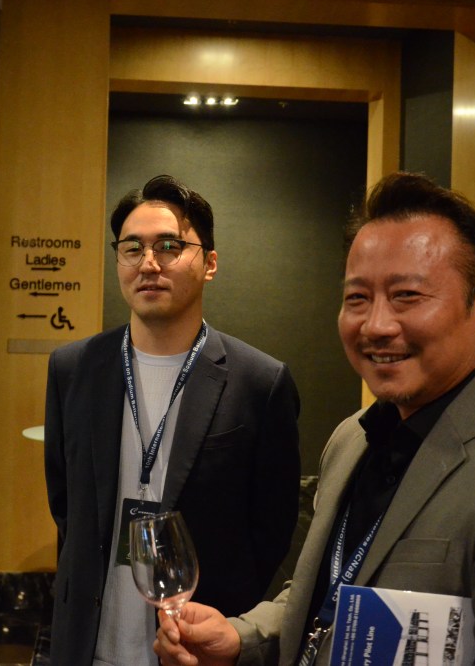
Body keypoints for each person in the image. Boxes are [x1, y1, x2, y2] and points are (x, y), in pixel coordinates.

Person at [154, 172, 475, 666]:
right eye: (357, 298)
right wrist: (242, 639)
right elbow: (332, 592)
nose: (376, 325)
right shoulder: (351, 440)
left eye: (407, 296)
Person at [45, 174, 301, 666]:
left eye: (169, 247)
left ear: (210, 263)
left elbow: (272, 530)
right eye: (132, 248)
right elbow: (66, 507)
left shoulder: (259, 382)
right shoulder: (73, 369)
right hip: (85, 643)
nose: (148, 263)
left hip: (195, 648)